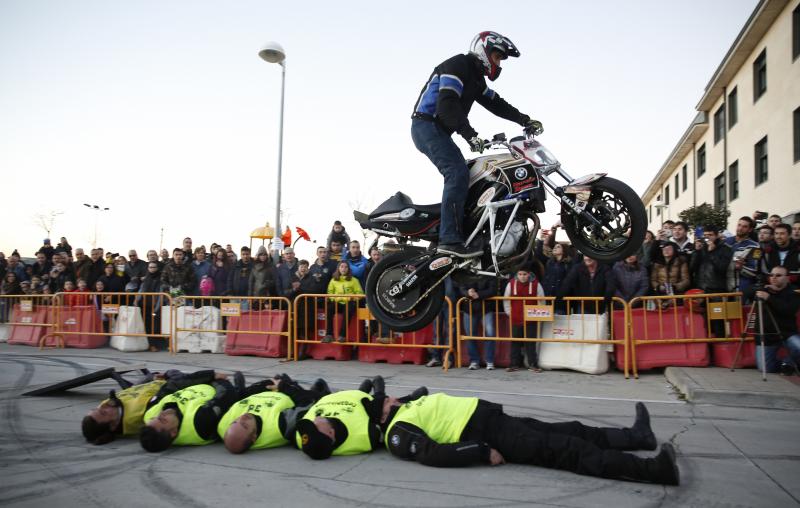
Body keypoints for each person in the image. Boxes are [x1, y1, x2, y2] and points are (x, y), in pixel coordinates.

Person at [412, 31, 540, 258]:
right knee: (457, 173)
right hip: (426, 126)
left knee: (472, 174)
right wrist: (470, 135)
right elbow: (447, 105)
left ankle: (465, 229)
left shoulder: (476, 79)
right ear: (484, 49)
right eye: (498, 57)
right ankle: (449, 239)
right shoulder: (458, 65)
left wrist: (523, 119)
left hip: (439, 130)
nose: (498, 63)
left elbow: (495, 103)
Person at [382, 393, 679, 485]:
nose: (389, 397)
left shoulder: (407, 406)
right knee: (569, 449)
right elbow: (433, 454)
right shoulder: (398, 429)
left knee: (573, 430)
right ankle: (655, 471)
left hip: (492, 420)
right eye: (383, 401)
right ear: (382, 415)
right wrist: (481, 451)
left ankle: (636, 437)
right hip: (485, 433)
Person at [295, 377, 428, 460]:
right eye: (315, 426)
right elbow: (383, 421)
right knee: (382, 409)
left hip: (339, 396)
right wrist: (379, 394)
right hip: (361, 403)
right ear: (331, 433)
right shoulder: (364, 436)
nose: (313, 420)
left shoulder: (300, 437)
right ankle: (409, 398)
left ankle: (364, 389)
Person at [82, 369, 215, 445]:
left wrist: (150, 378)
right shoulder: (136, 416)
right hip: (171, 386)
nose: (103, 406)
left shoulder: (111, 405)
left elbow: (132, 390)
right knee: (177, 374)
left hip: (155, 381)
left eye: (97, 408)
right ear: (112, 426)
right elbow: (166, 392)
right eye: (103, 413)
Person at [218, 374, 331, 454]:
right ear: (254, 437)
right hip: (286, 396)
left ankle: (241, 388)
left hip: (260, 393)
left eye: (235, 421)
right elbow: (307, 403)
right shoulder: (279, 425)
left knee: (238, 394)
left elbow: (233, 399)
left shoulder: (223, 426)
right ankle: (322, 393)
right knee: (314, 397)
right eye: (245, 425)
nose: (242, 417)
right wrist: (284, 386)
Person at [140, 371, 244, 452]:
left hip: (195, 385)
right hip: (217, 389)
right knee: (239, 397)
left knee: (173, 374)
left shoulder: (150, 413)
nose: (161, 413)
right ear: (174, 432)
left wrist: (207, 375)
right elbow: (226, 394)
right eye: (163, 420)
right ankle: (241, 390)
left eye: (155, 418)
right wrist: (213, 378)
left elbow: (170, 386)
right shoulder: (200, 422)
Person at [743, 266, 800, 374]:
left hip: (787, 333)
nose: (774, 278)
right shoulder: (764, 289)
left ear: (787, 278)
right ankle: (786, 366)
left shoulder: (793, 292)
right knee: (765, 368)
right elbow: (745, 292)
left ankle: (788, 363)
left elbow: (787, 310)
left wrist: (769, 298)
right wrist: (760, 288)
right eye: (772, 275)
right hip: (767, 336)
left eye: (778, 275)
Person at [502, 267, 545, 372]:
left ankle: (533, 364)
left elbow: (541, 301)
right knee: (515, 342)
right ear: (517, 274)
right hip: (516, 318)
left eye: (524, 274)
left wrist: (538, 315)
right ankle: (514, 364)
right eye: (520, 274)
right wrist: (510, 313)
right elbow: (506, 300)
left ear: (529, 274)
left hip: (531, 319)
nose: (522, 277)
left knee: (530, 343)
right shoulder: (511, 284)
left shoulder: (536, 284)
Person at [457, 275, 499, 370]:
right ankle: (474, 361)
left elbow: (493, 289)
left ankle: (489, 361)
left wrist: (479, 294)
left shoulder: (489, 271)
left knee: (490, 335)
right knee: (470, 336)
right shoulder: (466, 271)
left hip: (486, 309)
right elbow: (461, 287)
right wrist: (467, 293)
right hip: (469, 309)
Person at [323, 261, 363, 343]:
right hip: (337, 302)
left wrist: (352, 298)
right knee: (329, 309)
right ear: (338, 268)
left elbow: (360, 294)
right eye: (342, 267)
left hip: (349, 302)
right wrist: (336, 298)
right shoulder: (334, 280)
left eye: (345, 267)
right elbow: (330, 292)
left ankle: (342, 335)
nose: (343, 269)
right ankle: (329, 335)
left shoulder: (354, 280)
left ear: (348, 269)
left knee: (348, 310)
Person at [690, 226, 733, 294]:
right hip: (700, 289)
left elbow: (722, 268)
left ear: (716, 236)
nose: (707, 238)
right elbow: (692, 267)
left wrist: (712, 253)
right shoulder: (701, 248)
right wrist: (696, 251)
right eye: (705, 235)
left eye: (710, 235)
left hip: (717, 290)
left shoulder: (725, 249)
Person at [724, 216, 760, 294]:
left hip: (742, 288)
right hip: (723, 287)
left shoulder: (756, 247)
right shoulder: (725, 242)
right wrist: (736, 259)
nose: (740, 228)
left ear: (750, 229)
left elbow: (754, 270)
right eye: (739, 225)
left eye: (744, 226)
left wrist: (741, 268)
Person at [137, 261, 165, 352]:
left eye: (154, 267)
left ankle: (154, 344)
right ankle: (149, 344)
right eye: (150, 267)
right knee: (147, 326)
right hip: (145, 305)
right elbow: (141, 289)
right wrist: (136, 300)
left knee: (155, 326)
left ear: (157, 268)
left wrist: (157, 308)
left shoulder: (160, 279)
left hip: (155, 306)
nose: (152, 269)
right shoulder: (146, 278)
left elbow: (161, 293)